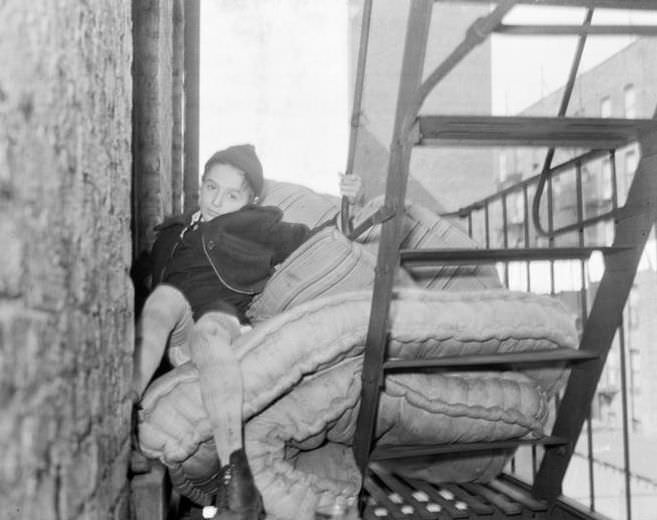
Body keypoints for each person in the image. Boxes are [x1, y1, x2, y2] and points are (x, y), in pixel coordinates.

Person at [132, 144, 363, 519]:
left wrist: (350, 202)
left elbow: (323, 240)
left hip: (218, 325)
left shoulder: (258, 227)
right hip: (173, 333)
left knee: (208, 328)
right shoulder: (171, 234)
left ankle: (234, 476)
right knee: (162, 300)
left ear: (250, 199)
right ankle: (127, 407)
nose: (217, 201)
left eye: (232, 195)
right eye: (211, 188)